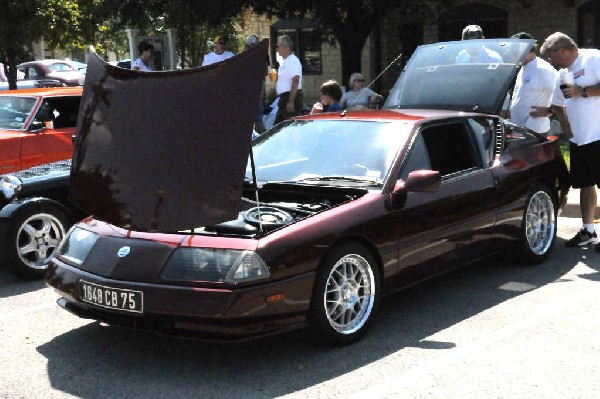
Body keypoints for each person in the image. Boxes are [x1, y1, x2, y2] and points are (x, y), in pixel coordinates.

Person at [540, 32, 600, 249]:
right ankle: (588, 231)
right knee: (585, 184)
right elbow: (558, 103)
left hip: (598, 134)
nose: (552, 62)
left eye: (552, 57)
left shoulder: (593, 58)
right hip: (579, 139)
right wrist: (566, 126)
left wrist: (582, 91)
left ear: (563, 51)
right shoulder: (563, 73)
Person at [507, 32, 558, 135]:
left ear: (526, 48)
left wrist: (550, 111)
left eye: (515, 49)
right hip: (520, 130)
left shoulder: (542, 69)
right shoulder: (523, 67)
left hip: (535, 131)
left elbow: (563, 92)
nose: (512, 53)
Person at [274, 35, 303, 125]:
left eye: (277, 46)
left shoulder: (293, 60)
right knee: (278, 128)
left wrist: (291, 102)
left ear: (285, 46)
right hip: (284, 98)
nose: (276, 49)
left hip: (290, 97)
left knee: (290, 127)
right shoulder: (285, 61)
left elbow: (295, 81)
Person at [245, 34, 267, 133]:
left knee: (257, 120)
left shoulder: (260, 58)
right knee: (254, 121)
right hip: (252, 95)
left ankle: (262, 140)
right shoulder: (260, 57)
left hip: (255, 95)